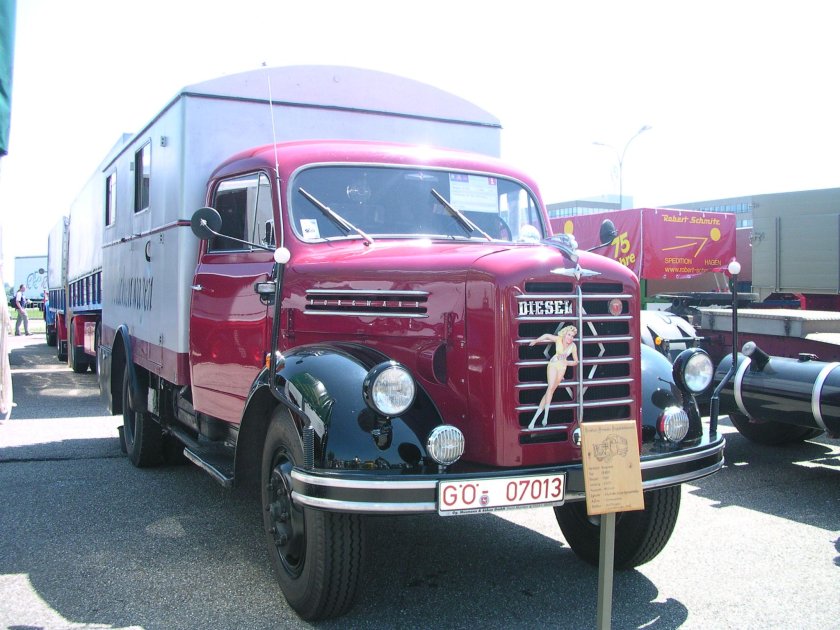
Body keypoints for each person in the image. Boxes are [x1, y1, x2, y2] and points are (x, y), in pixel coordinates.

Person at [528, 325, 578, 429]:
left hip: (562, 368)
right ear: (565, 334)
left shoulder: (573, 346)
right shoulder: (558, 339)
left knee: (550, 391)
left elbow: (576, 361)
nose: (570, 338)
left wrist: (567, 362)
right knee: (550, 388)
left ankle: (535, 419)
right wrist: (536, 341)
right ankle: (545, 416)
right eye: (569, 335)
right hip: (553, 365)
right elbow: (546, 335)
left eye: (572, 336)